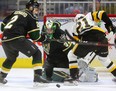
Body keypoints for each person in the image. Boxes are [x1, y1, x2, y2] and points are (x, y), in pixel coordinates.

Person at [0, 0, 48, 86]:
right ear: (31, 8)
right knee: (37, 53)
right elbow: (35, 37)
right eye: (36, 9)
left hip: (4, 39)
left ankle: (1, 77)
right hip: (17, 39)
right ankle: (38, 77)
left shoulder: (15, 12)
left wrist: (21, 31)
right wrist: (44, 39)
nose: (38, 11)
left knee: (11, 58)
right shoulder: (31, 16)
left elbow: (2, 26)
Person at [66, 10, 116, 85]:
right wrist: (110, 25)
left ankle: (73, 77)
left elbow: (77, 41)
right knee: (104, 60)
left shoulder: (74, 27)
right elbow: (102, 13)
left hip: (87, 38)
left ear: (75, 20)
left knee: (71, 55)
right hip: (101, 37)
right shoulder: (88, 16)